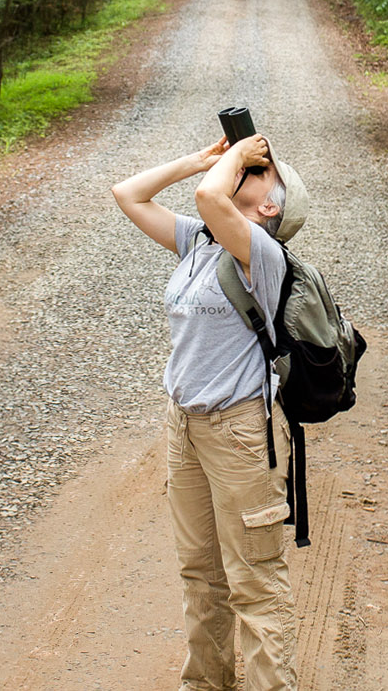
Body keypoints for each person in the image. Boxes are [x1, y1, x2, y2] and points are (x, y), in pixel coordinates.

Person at [112, 131, 308, 691]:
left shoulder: (263, 256)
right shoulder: (200, 242)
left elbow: (209, 199)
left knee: (255, 581)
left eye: (264, 172)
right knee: (201, 574)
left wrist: (238, 159)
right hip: (185, 427)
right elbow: (127, 194)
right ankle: (205, 684)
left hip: (241, 432)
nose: (249, 169)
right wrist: (196, 160)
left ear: (269, 206)